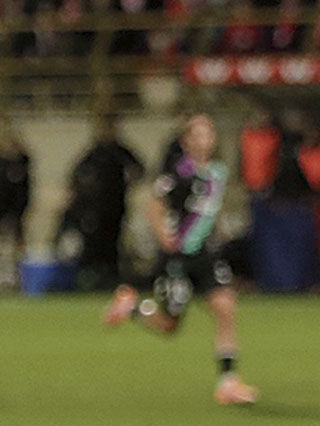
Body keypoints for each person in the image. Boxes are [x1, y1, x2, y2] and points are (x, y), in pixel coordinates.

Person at [103, 113, 259, 407]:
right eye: (198, 135)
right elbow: (155, 205)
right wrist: (165, 238)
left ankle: (228, 383)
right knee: (169, 326)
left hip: (204, 255)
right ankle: (132, 306)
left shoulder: (216, 173)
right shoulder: (179, 173)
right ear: (187, 141)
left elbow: (206, 211)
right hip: (177, 259)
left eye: (209, 134)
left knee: (226, 307)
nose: (205, 140)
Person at [64, 115, 145, 287]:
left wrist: (128, 183)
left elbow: (139, 169)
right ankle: (93, 276)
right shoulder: (95, 151)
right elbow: (76, 173)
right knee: (95, 242)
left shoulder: (121, 151)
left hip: (116, 206)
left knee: (114, 243)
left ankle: (112, 276)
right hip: (96, 209)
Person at [0, 131, 31, 290]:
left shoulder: (22, 166)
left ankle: (20, 278)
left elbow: (27, 191)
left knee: (18, 244)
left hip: (15, 210)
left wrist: (23, 208)